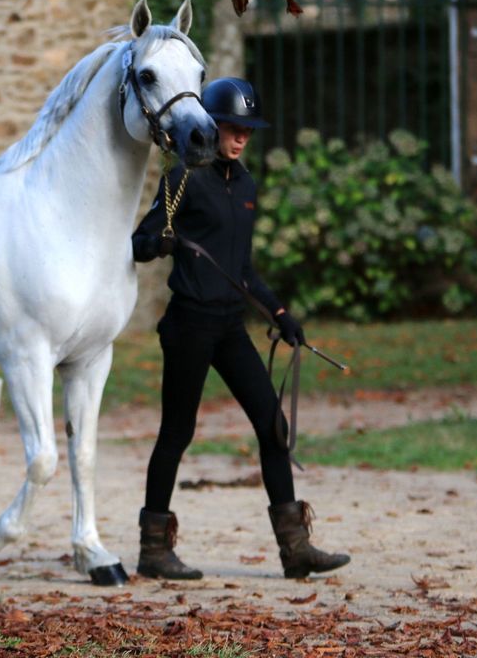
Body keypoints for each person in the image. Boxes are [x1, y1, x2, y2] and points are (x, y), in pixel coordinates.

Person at [130, 76, 350, 581]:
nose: (242, 137)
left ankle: (295, 550)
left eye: (248, 129)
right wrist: (160, 243)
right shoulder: (184, 178)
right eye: (234, 127)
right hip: (188, 325)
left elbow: (243, 267)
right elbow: (138, 243)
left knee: (274, 427)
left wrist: (279, 315)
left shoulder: (246, 184)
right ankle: (153, 550)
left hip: (230, 327)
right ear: (212, 124)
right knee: (176, 432)